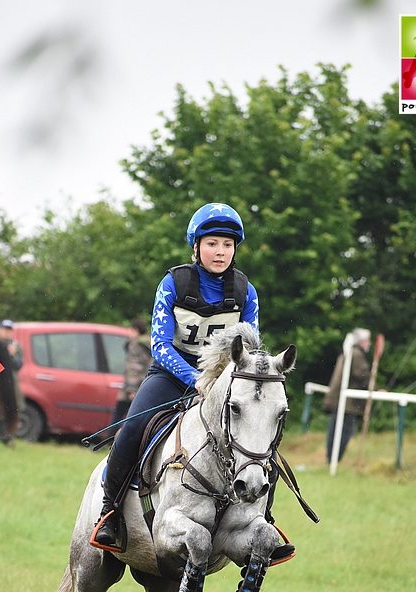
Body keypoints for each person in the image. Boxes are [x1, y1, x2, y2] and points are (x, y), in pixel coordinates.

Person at [92, 202, 293, 561]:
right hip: (172, 374)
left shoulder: (246, 291)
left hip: (224, 382)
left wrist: (222, 382)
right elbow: (159, 344)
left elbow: (249, 348)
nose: (221, 252)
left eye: (228, 245)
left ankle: (264, 518)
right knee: (132, 428)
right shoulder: (174, 282)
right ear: (197, 247)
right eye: (213, 243)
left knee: (259, 443)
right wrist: (197, 379)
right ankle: (109, 512)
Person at [324, 328, 371, 463]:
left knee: (335, 432)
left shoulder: (347, 352)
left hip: (340, 402)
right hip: (347, 405)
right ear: (361, 341)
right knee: (344, 433)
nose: (369, 344)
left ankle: (331, 460)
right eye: (367, 340)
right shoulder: (356, 354)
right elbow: (362, 376)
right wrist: (376, 389)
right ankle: (334, 461)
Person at [0, 319, 25, 443]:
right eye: (4, 329)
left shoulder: (16, 347)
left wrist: (10, 355)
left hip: (11, 383)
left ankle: (6, 437)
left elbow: (18, 365)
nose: (6, 333)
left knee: (11, 409)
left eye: (9, 330)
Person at [109, 317, 152, 432]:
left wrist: (132, 389)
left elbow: (134, 368)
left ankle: (110, 442)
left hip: (132, 389)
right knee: (133, 417)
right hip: (144, 386)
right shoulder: (149, 343)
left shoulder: (136, 345)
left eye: (130, 330)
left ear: (135, 330)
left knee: (119, 416)